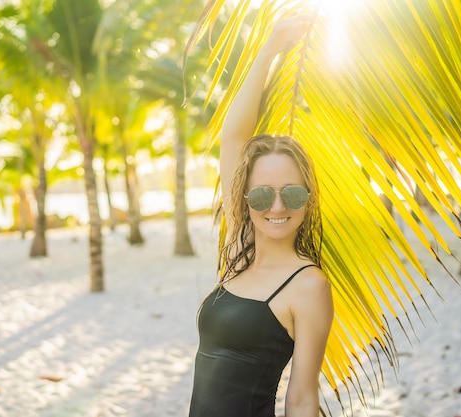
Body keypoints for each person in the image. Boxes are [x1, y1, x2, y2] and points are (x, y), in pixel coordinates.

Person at [188, 17, 334, 417]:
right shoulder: (241, 245)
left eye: (292, 193)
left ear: (308, 197)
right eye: (261, 195)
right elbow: (233, 138)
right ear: (245, 198)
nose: (276, 207)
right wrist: (269, 49)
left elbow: (302, 398)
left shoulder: (308, 286)